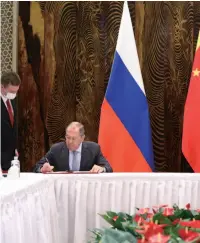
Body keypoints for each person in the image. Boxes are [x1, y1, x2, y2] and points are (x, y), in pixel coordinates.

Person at [34, 122, 113, 173]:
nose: (70, 141)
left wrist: (102, 169)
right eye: (68, 137)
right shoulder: (56, 150)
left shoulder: (94, 149)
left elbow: (108, 168)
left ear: (82, 138)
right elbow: (37, 166)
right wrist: (42, 169)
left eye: (73, 138)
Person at [1, 71, 21, 171]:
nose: (14, 94)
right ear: (2, 87)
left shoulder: (12, 100)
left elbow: (13, 127)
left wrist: (15, 148)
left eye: (16, 91)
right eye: (12, 92)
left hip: (11, 158)